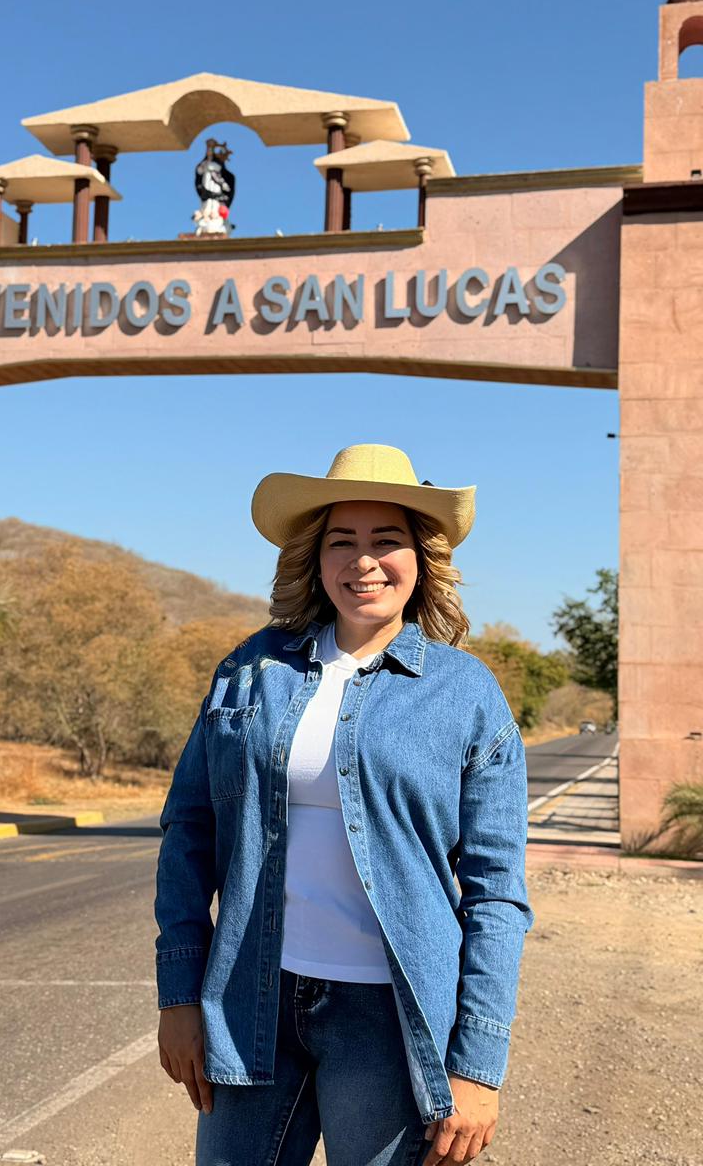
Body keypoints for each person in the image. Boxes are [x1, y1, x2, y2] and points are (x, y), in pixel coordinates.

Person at [154, 444, 535, 1166]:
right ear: (315, 559)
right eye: (342, 541)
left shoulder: (466, 693)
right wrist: (179, 991)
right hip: (251, 999)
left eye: (386, 540)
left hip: (387, 1019)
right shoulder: (250, 670)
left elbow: (496, 895)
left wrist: (478, 1066)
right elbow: (188, 832)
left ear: (420, 559)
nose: (364, 562)